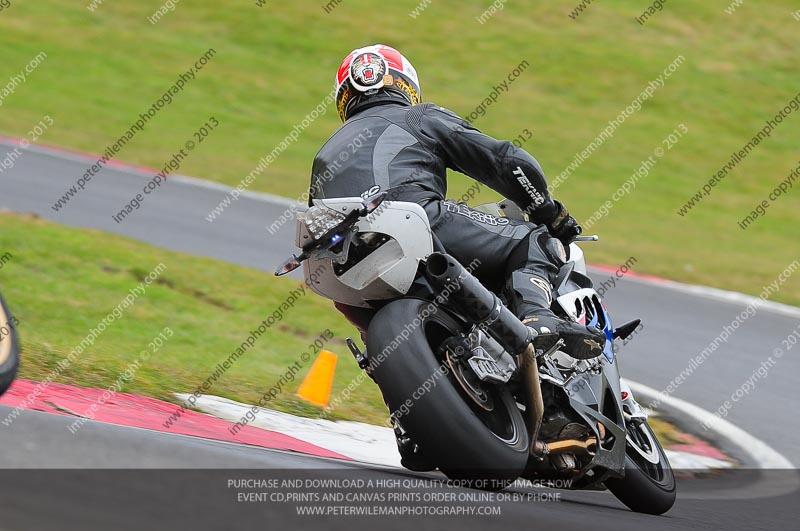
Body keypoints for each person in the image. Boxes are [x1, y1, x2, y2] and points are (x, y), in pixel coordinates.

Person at [310, 44, 606, 360]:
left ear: (343, 99)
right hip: (415, 220)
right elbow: (505, 161)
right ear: (405, 84)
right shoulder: (418, 116)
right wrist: (548, 211)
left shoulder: (325, 153)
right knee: (534, 240)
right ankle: (537, 317)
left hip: (343, 268)